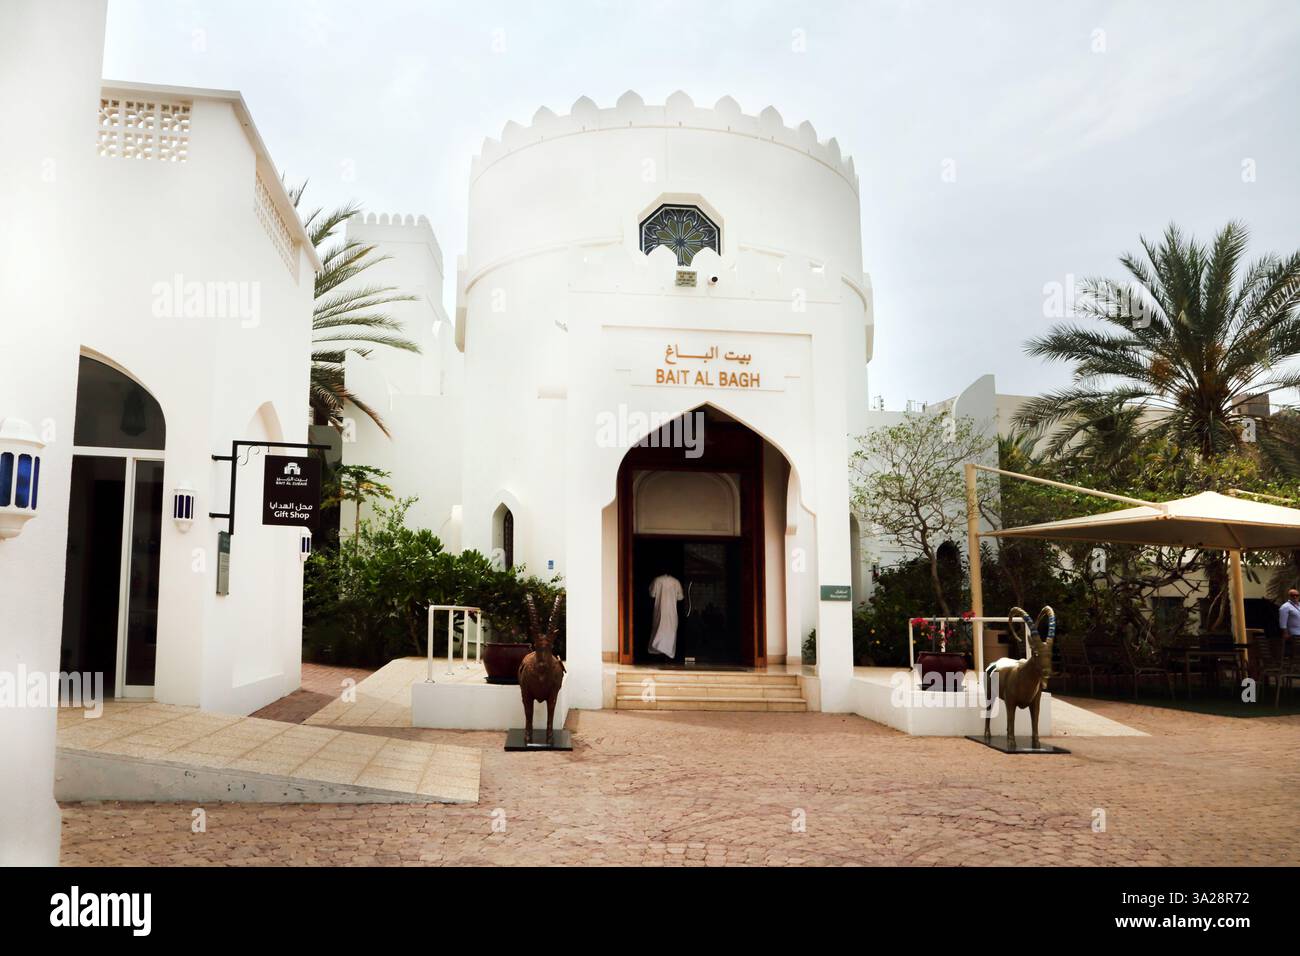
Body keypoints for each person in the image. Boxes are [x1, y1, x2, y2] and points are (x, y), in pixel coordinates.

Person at [648, 573, 684, 661]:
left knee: (659, 631)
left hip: (660, 611)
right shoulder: (676, 582)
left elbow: (652, 594)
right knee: (669, 634)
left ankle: (660, 655)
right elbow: (680, 597)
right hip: (671, 612)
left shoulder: (657, 580)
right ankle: (665, 656)